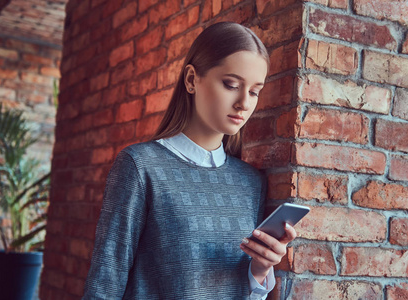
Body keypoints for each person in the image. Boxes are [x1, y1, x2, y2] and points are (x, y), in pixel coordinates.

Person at [83, 22, 297, 299]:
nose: (244, 102)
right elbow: (104, 284)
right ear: (191, 80)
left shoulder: (250, 182)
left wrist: (259, 269)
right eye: (231, 84)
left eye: (255, 91)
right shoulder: (140, 166)